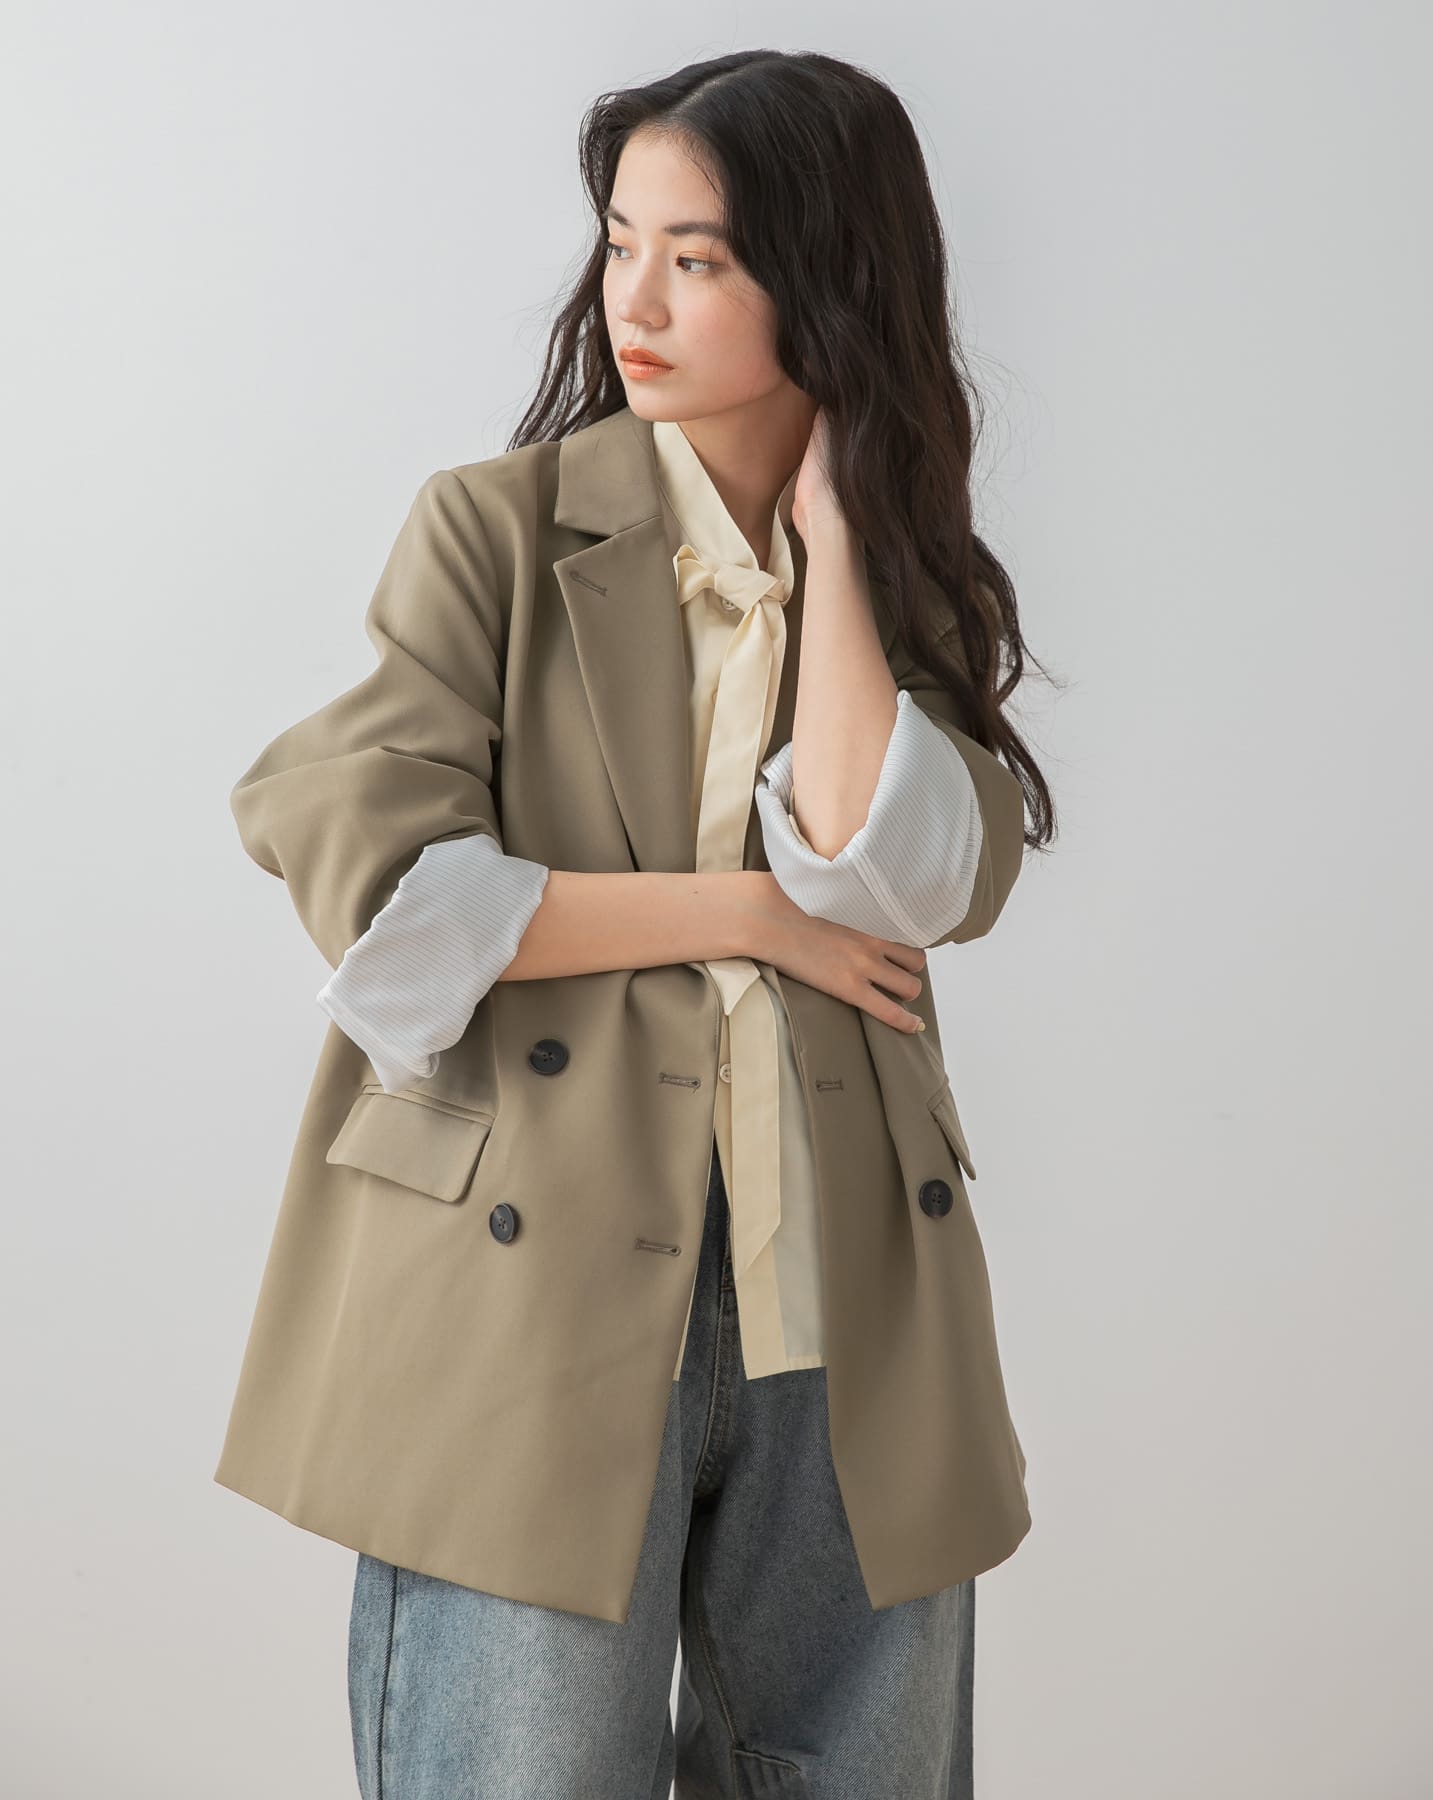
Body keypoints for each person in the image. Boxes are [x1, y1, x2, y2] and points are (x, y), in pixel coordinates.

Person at [216, 46, 1057, 1800]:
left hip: (843, 1291)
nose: (637, 301)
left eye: (701, 257)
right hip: (530, 1290)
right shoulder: (499, 533)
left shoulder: (895, 575)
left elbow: (901, 878)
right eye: (621, 244)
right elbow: (397, 903)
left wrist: (838, 537)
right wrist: (748, 911)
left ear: (829, 281)